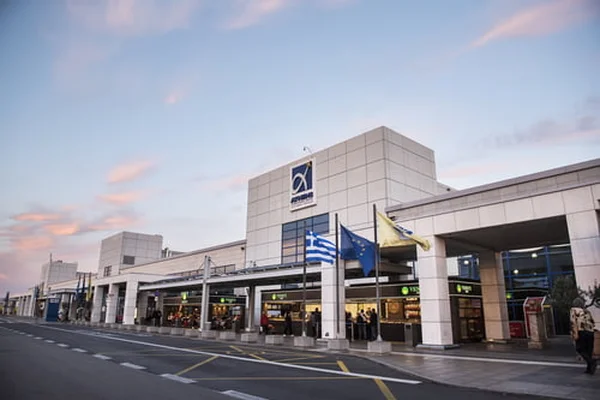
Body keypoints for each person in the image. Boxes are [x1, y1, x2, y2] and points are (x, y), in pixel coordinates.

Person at [570, 297, 597, 374]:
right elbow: (593, 322)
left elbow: (573, 323)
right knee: (589, 350)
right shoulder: (586, 311)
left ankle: (592, 362)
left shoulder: (573, 310)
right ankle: (590, 369)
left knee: (579, 349)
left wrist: (575, 334)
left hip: (581, 331)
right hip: (590, 332)